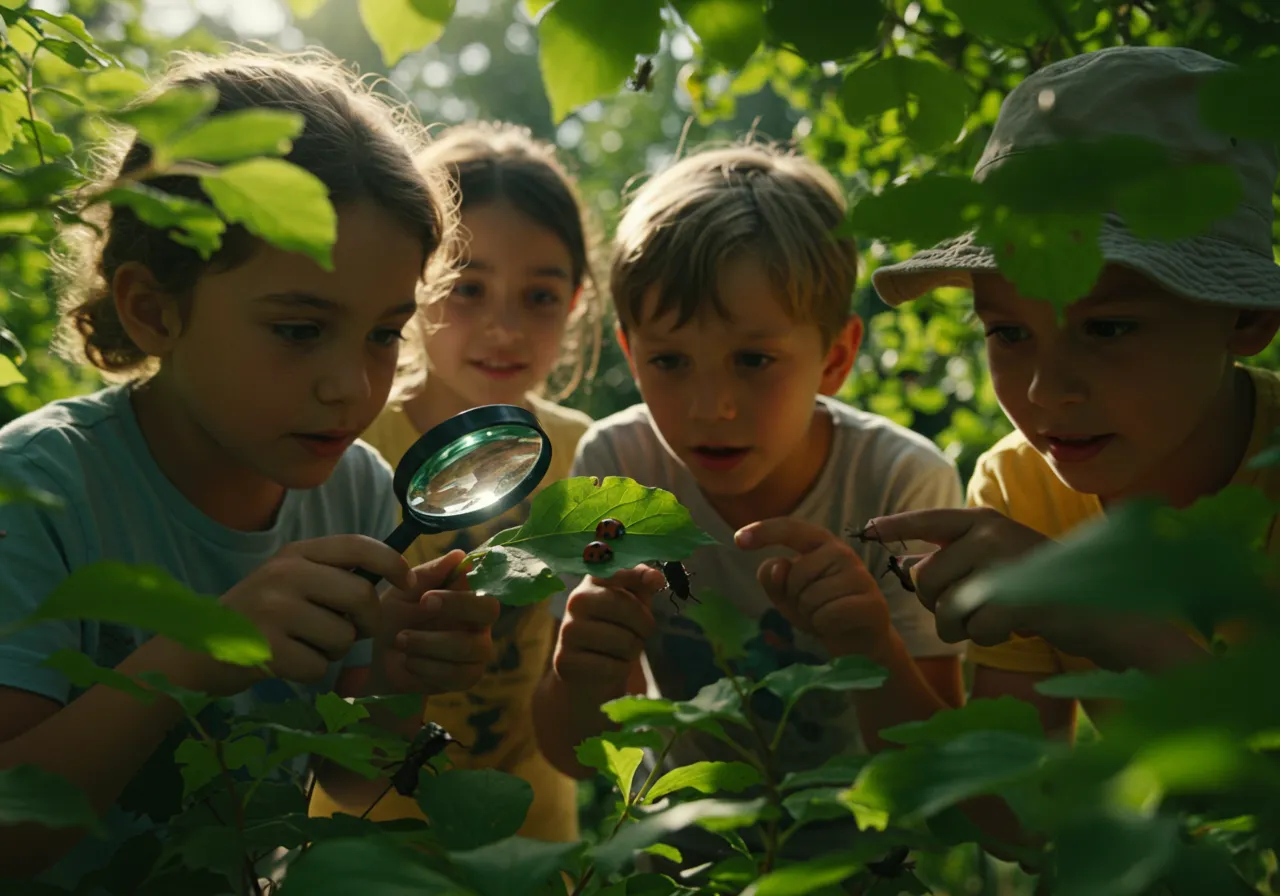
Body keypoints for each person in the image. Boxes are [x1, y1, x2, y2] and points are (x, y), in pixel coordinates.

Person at [0, 50, 500, 887]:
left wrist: (395, 684)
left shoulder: (358, 490)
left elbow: (352, 777)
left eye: (383, 333)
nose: (352, 386)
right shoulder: (38, 491)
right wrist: (197, 653)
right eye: (300, 330)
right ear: (153, 310)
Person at [532, 142, 966, 868]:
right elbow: (574, 756)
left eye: (754, 360)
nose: (711, 408)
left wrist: (872, 644)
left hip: (862, 869)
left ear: (836, 355)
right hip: (677, 867)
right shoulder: (620, 469)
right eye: (669, 362)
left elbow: (943, 775)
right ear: (630, 354)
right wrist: (581, 671)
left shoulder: (899, 484)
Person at [866, 45, 1280, 739]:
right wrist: (865, 640)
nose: (1045, 391)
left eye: (1108, 328)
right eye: (1009, 333)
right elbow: (1021, 821)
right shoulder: (1021, 488)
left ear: (1245, 319)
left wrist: (1087, 610)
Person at [309, 122, 602, 842]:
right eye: (468, 288)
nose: (504, 328)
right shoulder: (343, 447)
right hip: (361, 850)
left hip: (534, 849)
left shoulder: (584, 450)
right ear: (413, 288)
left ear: (576, 303)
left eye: (539, 296)